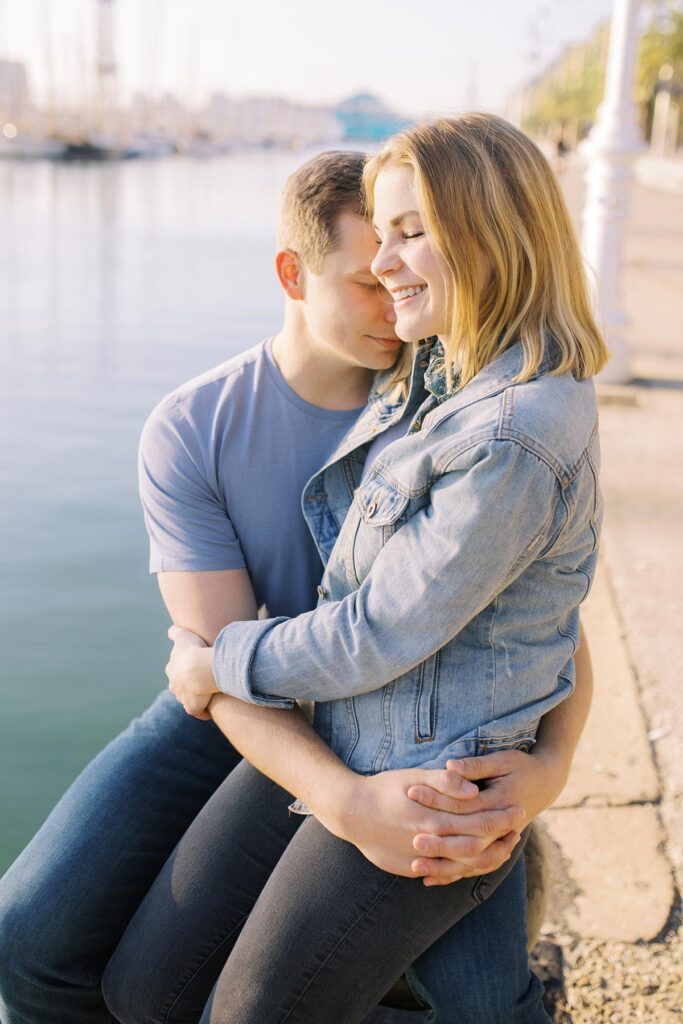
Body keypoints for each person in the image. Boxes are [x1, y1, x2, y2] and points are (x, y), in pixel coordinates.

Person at [101, 116, 606, 1024]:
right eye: (380, 239)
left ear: (488, 230)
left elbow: (380, 629)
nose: (384, 264)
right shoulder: (439, 374)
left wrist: (215, 661)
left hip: (426, 781)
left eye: (410, 233)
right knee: (142, 990)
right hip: (340, 731)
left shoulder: (512, 435)